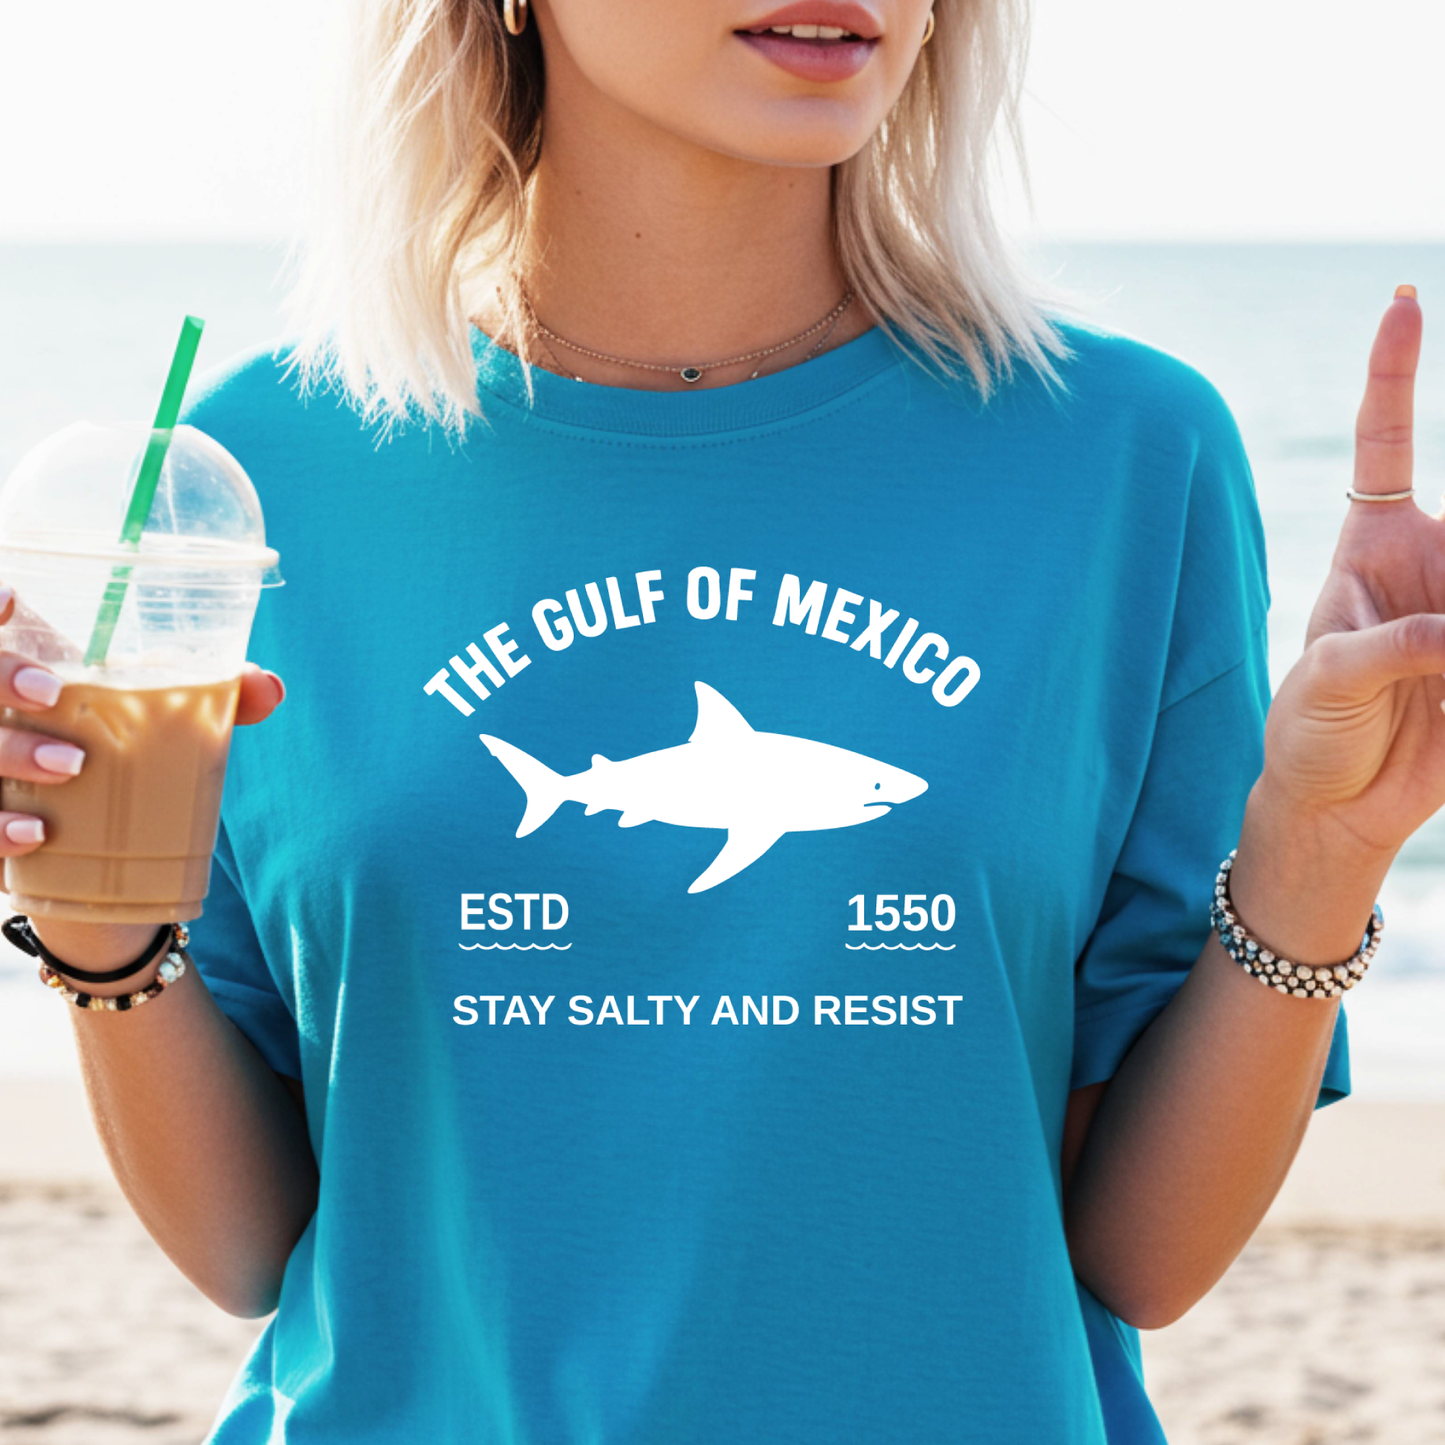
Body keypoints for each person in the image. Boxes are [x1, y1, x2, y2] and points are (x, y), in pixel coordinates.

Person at [7, 1, 1441, 1440]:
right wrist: (84, 906)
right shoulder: (260, 467)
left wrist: (1324, 845)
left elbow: (1143, 1257)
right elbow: (249, 1247)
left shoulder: (1126, 452)